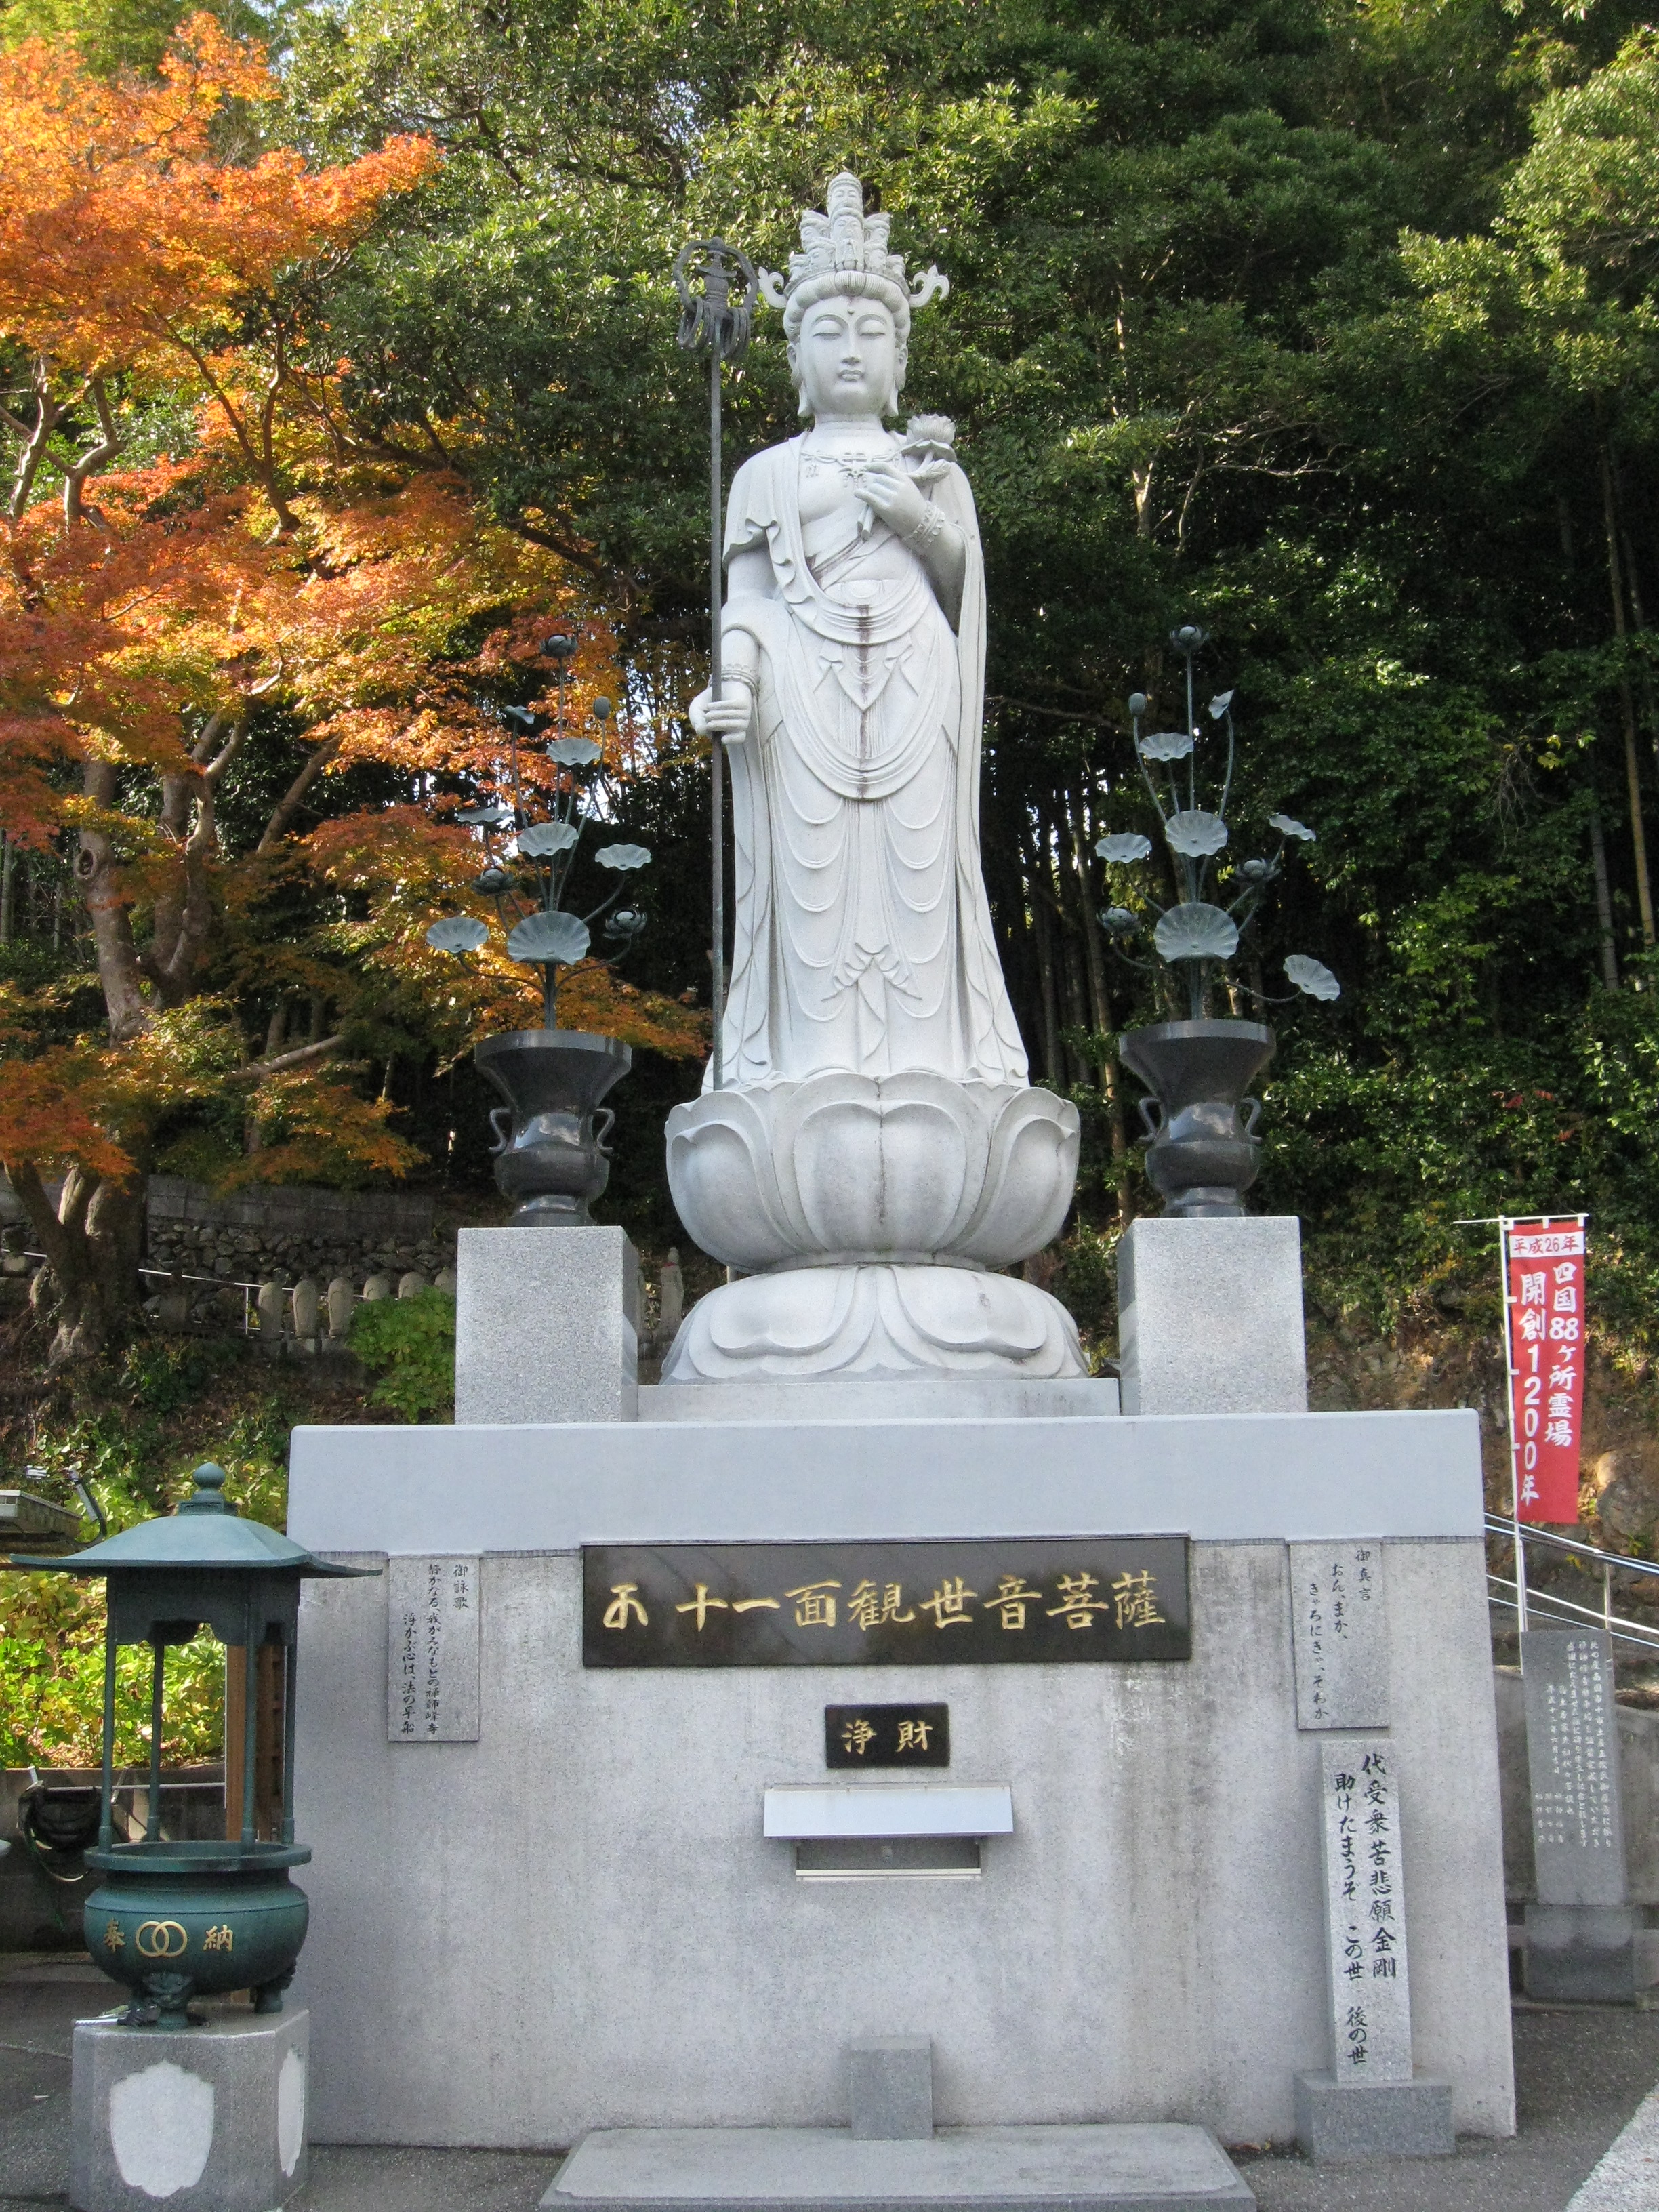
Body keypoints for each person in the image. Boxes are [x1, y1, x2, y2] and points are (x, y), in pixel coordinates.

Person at [689, 173, 1028, 1092]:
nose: (850, 351)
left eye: (871, 333)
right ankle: (803, 1070)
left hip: (919, 679)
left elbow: (964, 589)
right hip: (799, 693)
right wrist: (730, 687)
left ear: (900, 357)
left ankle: (935, 1067)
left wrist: (915, 515)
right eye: (828, 334)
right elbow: (747, 600)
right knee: (809, 883)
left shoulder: (931, 466)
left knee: (920, 873)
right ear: (796, 361)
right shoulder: (765, 475)